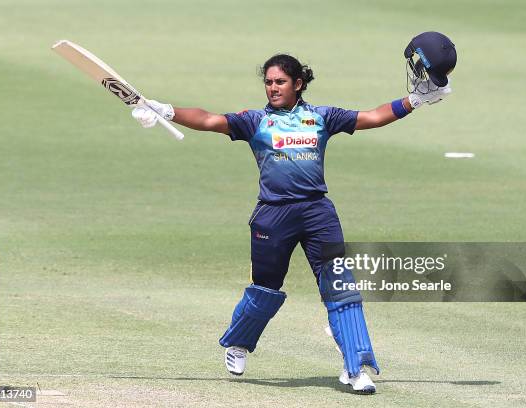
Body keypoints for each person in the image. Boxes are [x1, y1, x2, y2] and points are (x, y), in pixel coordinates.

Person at [132, 33, 455, 394]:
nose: (272, 88)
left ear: (298, 83)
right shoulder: (254, 122)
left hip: (317, 212)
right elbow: (209, 120)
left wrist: (414, 100)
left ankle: (355, 367)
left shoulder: (321, 117)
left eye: (280, 82)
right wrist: (168, 110)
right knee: (265, 289)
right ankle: (239, 343)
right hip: (273, 215)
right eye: (268, 82)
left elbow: (373, 116)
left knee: (341, 287)